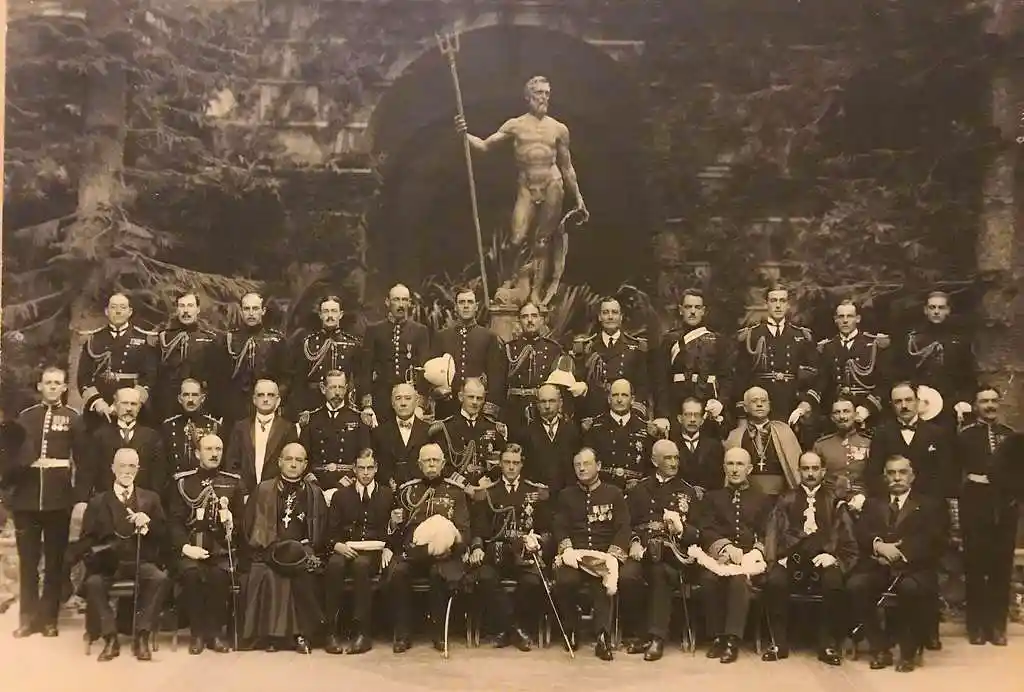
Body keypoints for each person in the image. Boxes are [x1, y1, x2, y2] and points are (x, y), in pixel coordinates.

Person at [456, 75, 588, 305]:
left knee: (542, 241)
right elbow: (486, 145)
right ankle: (509, 279)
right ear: (528, 97)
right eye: (539, 93)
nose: (544, 98)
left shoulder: (558, 129)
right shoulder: (515, 125)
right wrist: (464, 135)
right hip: (527, 185)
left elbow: (567, 167)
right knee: (515, 239)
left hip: (552, 183)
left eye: (547, 93)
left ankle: (536, 291)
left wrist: (579, 199)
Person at [2, 367, 87, 638]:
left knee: (54, 563)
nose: (52, 387)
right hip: (26, 499)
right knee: (28, 563)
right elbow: (11, 456)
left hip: (58, 498)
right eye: (48, 383)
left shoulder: (74, 418)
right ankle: (27, 619)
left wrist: (77, 496)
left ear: (64, 388)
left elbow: (83, 462)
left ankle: (49, 619)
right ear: (40, 386)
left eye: (57, 383)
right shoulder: (26, 417)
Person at [847, 455, 949, 673]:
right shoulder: (874, 503)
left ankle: (908, 652)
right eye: (891, 473)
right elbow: (862, 532)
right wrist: (879, 546)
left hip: (915, 568)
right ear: (885, 477)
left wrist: (900, 553)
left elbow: (935, 539)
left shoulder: (930, 505)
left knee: (910, 589)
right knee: (857, 585)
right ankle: (879, 647)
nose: (897, 478)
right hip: (878, 565)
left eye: (902, 472)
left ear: (912, 476)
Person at [71, 448, 171, 662]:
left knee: (159, 579)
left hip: (139, 560)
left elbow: (164, 535)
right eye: (122, 466)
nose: (127, 471)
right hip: (109, 564)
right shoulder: (98, 502)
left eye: (132, 466)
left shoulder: (150, 499)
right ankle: (110, 637)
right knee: (95, 583)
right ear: (113, 468)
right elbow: (87, 540)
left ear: (138, 469)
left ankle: (142, 636)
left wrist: (148, 526)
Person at [761, 452, 858, 665]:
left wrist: (834, 558)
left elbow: (846, 538)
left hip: (823, 557)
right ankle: (779, 642)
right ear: (799, 471)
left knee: (833, 582)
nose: (811, 473)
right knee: (775, 581)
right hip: (791, 557)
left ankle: (827, 644)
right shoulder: (786, 500)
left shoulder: (834, 501)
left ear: (823, 471)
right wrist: (779, 558)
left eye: (815, 468)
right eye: (806, 469)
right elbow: (774, 534)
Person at [240, 442, 329, 653]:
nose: (293, 464)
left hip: (301, 553)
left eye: (299, 460)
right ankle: (273, 637)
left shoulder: (314, 493)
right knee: (270, 574)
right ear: (279, 462)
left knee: (303, 572)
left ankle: (301, 635)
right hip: (269, 551)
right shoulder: (263, 489)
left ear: (305, 464)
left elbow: (321, 529)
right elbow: (248, 525)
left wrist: (311, 544)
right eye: (288, 459)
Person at [619, 439, 702, 661]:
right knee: (627, 577)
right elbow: (626, 524)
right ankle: (639, 633)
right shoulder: (639, 489)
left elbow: (698, 532)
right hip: (642, 550)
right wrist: (634, 541)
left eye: (676, 457)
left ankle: (657, 637)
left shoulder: (688, 492)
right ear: (654, 460)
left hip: (671, 555)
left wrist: (682, 529)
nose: (674, 462)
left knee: (660, 574)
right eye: (668, 458)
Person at [385, 443, 471, 653]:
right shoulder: (407, 491)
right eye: (427, 460)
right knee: (398, 573)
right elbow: (399, 534)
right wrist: (393, 525)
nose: (431, 464)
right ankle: (402, 633)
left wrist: (453, 548)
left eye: (435, 460)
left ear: (443, 463)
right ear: (419, 464)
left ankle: (439, 633)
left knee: (438, 573)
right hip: (414, 553)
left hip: (444, 555)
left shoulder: (456, 492)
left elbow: (464, 530)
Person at [468, 444, 551, 651]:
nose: (511, 467)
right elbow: (478, 527)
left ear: (522, 465)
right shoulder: (487, 493)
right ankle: (515, 630)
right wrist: (477, 547)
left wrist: (539, 543)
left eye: (515, 463)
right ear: (500, 464)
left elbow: (548, 529)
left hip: (525, 554)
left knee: (532, 582)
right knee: (485, 578)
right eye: (507, 462)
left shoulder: (536, 492)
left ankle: (509, 630)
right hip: (496, 553)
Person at [167, 434, 245, 655]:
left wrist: (231, 523)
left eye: (218, 449)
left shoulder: (233, 482)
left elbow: (242, 521)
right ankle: (197, 634)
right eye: (209, 449)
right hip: (190, 549)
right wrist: (185, 547)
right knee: (191, 575)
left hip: (221, 549)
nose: (214, 454)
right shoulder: (183, 482)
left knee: (219, 577)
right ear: (197, 453)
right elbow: (174, 521)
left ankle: (214, 634)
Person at [695, 447, 774, 664]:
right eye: (730, 464)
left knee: (739, 581)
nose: (735, 469)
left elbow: (768, 531)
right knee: (709, 580)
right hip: (720, 557)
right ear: (723, 468)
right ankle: (717, 637)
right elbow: (706, 529)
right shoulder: (712, 498)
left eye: (740, 465)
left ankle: (732, 639)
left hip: (750, 560)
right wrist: (725, 548)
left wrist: (755, 553)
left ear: (749, 468)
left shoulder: (762, 499)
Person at [552, 447, 630, 661]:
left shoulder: (613, 493)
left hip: (603, 555)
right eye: (578, 465)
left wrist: (613, 556)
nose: (582, 468)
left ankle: (603, 636)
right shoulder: (566, 495)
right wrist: (566, 549)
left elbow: (623, 528)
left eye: (586, 463)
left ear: (599, 466)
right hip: (575, 556)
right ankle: (572, 627)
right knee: (565, 580)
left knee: (603, 584)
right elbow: (559, 526)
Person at [956, 386, 1016, 645]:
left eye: (993, 401)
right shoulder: (965, 436)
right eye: (984, 401)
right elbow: (954, 472)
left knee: (1001, 568)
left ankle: (998, 626)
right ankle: (977, 627)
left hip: (1005, 508)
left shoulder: (1011, 436)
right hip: (975, 507)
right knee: (976, 567)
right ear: (976, 405)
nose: (989, 405)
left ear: (999, 404)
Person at [323, 449, 394, 655]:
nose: (365, 473)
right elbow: (331, 530)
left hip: (372, 552)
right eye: (361, 468)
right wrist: (336, 545)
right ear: (354, 469)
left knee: (361, 566)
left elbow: (395, 529)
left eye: (370, 468)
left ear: (376, 469)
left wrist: (389, 546)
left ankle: (362, 633)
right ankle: (331, 631)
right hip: (346, 547)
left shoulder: (387, 495)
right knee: (334, 566)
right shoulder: (341, 495)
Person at [732, 286, 819, 443]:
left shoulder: (801, 336)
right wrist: (742, 413)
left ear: (788, 305)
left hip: (790, 402)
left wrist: (805, 404)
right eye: (773, 301)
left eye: (782, 301)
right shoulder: (751, 335)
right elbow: (740, 377)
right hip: (759, 403)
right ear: (766, 304)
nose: (778, 305)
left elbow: (814, 374)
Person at [895, 291, 976, 429]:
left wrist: (963, 400)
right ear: (925, 310)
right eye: (932, 308)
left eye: (941, 308)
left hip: (949, 405)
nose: (936, 312)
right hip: (918, 404)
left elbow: (969, 377)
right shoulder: (913, 339)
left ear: (948, 310)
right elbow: (901, 373)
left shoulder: (959, 341)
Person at [76, 292, 158, 428]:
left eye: (122, 307)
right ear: (107, 311)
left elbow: (149, 377)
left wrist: (130, 402)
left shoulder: (144, 339)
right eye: (113, 307)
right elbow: (83, 377)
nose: (118, 311)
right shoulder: (93, 339)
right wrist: (97, 402)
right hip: (101, 408)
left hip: (133, 408)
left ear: (130, 311)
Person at [653, 289, 730, 421]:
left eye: (697, 307)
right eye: (688, 307)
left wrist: (721, 402)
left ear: (703, 311)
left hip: (708, 403)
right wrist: (662, 415)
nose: (693, 311)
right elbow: (661, 381)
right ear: (681, 310)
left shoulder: (718, 340)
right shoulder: (669, 340)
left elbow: (727, 377)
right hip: (677, 405)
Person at [429, 288, 506, 420]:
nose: (465, 306)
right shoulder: (442, 336)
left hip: (478, 407)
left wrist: (489, 410)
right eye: (461, 302)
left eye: (470, 302)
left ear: (476, 306)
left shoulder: (488, 337)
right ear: (455, 307)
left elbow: (496, 376)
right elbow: (431, 370)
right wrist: (436, 391)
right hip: (448, 406)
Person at [815, 301, 891, 430]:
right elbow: (822, 382)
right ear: (835, 320)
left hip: (867, 411)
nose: (845, 321)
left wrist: (867, 408)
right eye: (841, 317)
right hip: (838, 413)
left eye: (849, 316)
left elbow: (884, 383)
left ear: (858, 319)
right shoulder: (828, 347)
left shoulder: (873, 345)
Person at [79, 386, 168, 498]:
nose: (129, 409)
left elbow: (158, 476)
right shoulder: (99, 436)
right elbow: (87, 472)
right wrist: (81, 501)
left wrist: (151, 502)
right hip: (107, 502)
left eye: (133, 404)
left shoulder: (152, 437)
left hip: (142, 503)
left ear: (139, 407)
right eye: (124, 403)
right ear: (115, 406)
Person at [287, 295, 366, 420]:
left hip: (343, 405)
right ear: (320, 315)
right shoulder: (308, 344)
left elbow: (360, 379)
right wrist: (299, 410)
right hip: (313, 406)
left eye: (334, 311)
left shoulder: (353, 345)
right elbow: (298, 382)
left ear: (341, 314)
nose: (330, 315)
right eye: (326, 311)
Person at [361, 283, 431, 422]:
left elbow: (424, 368)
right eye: (396, 299)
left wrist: (420, 404)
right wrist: (367, 405)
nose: (401, 304)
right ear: (387, 302)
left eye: (405, 300)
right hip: (381, 398)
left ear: (410, 303)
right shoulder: (374, 331)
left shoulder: (420, 331)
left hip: (410, 397)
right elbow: (365, 368)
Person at [218, 292, 288, 429]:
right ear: (241, 310)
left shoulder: (277, 341)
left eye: (255, 309)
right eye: (247, 309)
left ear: (263, 311)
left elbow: (286, 377)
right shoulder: (229, 340)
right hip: (235, 410)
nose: (251, 313)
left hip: (266, 406)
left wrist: (275, 400)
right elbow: (220, 378)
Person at [572, 298, 649, 419]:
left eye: (614, 312)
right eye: (606, 312)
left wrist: (636, 411)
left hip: (625, 411)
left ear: (621, 317)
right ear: (599, 317)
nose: (610, 316)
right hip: (594, 411)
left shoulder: (636, 347)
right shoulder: (587, 347)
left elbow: (642, 385)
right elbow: (579, 382)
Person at [429, 377, 508, 494]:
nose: (475, 402)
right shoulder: (446, 428)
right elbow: (441, 464)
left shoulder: (493, 428)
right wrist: (464, 484)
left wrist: (489, 478)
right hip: (455, 490)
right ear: (461, 397)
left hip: (485, 490)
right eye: (471, 397)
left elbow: (502, 460)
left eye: (479, 398)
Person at [297, 370, 372, 491]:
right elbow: (302, 455)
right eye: (332, 387)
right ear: (323, 388)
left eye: (341, 387)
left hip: (348, 485)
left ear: (346, 388)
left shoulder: (358, 419)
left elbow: (365, 457)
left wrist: (350, 479)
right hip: (316, 484)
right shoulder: (311, 419)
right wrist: (311, 480)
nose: (337, 392)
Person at [153, 292, 219, 421]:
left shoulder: (209, 338)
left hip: (199, 401)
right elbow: (156, 371)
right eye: (182, 306)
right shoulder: (164, 337)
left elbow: (215, 375)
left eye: (190, 306)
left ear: (198, 309)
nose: (186, 311)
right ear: (177, 309)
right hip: (169, 401)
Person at [723, 387, 801, 497]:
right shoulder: (735, 436)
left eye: (763, 401)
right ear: (745, 407)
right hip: (747, 498)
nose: (759, 404)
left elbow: (795, 469)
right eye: (754, 401)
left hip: (781, 497)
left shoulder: (785, 431)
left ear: (769, 405)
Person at [225, 379, 298, 496]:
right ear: (254, 400)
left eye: (270, 395)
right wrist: (242, 492)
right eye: (261, 395)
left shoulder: (288, 429)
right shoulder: (240, 427)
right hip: (244, 496)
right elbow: (232, 463)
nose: (265, 399)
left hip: (276, 496)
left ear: (278, 400)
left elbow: (289, 465)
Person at [502, 302, 566, 432]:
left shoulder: (553, 349)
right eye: (525, 317)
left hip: (544, 411)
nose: (530, 320)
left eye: (534, 316)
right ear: (519, 321)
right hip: (514, 410)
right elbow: (500, 384)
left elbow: (562, 386)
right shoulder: (509, 349)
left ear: (541, 320)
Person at [581, 379, 653, 490]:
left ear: (632, 399)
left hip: (637, 491)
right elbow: (588, 464)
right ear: (609, 399)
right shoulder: (595, 427)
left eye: (624, 395)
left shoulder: (644, 428)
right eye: (615, 395)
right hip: (604, 490)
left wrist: (641, 485)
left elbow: (650, 467)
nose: (619, 400)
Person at [517, 383, 581, 494]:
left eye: (552, 401)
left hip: (567, 495)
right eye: (543, 401)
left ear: (560, 403)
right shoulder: (526, 433)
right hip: (538, 495)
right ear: (537, 404)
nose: (547, 406)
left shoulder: (572, 431)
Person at [811, 397, 872, 508]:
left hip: (863, 502)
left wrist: (864, 497)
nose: (842, 417)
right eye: (837, 413)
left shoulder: (869, 443)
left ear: (855, 415)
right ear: (832, 418)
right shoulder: (821, 445)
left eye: (846, 411)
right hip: (829, 504)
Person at [369, 383, 431, 486]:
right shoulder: (378, 433)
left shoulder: (429, 431)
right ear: (392, 403)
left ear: (416, 402)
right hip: (388, 493)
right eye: (398, 398)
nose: (403, 403)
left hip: (420, 493)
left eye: (408, 398)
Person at [161, 378, 223, 474]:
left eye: (195, 395)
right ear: (180, 399)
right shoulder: (168, 426)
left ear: (202, 398)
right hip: (175, 483)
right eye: (186, 395)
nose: (190, 399)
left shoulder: (214, 425)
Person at [668, 397, 725, 493]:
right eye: (688, 415)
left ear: (702, 420)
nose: (692, 419)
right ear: (680, 418)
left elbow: (718, 479)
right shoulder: (670, 445)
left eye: (697, 415)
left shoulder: (715, 447)